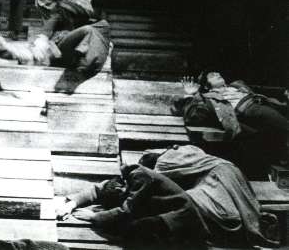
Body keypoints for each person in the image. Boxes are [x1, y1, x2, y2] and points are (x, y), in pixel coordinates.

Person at [140, 145, 280, 247]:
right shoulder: (188, 148)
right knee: (245, 208)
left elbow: (156, 180)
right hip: (231, 170)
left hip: (215, 178)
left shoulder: (163, 162)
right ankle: (250, 227)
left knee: (212, 208)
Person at [56, 163, 210, 249]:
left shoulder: (140, 177)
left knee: (135, 230)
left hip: (181, 217)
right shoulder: (123, 180)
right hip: (165, 212)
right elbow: (96, 191)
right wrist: (71, 204)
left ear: (123, 187)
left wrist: (94, 217)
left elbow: (126, 211)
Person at [173, 71, 288, 163]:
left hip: (263, 105)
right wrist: (192, 94)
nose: (217, 74)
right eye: (212, 75)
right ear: (207, 86)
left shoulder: (237, 86)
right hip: (250, 109)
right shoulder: (208, 98)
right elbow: (193, 116)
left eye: (217, 73)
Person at [31, 0, 110, 77]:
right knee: (88, 30)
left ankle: (87, 62)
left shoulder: (86, 17)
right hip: (58, 52)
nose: (87, 1)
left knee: (103, 25)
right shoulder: (61, 9)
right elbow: (48, 28)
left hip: (74, 54)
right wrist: (41, 43)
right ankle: (83, 63)